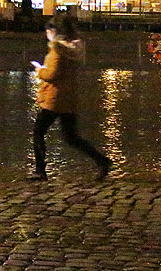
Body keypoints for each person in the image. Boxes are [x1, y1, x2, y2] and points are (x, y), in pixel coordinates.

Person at [29, 13, 111, 181]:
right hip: (69, 97)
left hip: (54, 98)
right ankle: (102, 161)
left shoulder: (57, 50)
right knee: (72, 137)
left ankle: (40, 170)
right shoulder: (73, 49)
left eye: (48, 31)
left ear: (54, 31)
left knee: (38, 132)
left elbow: (52, 74)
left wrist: (40, 70)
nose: (47, 34)